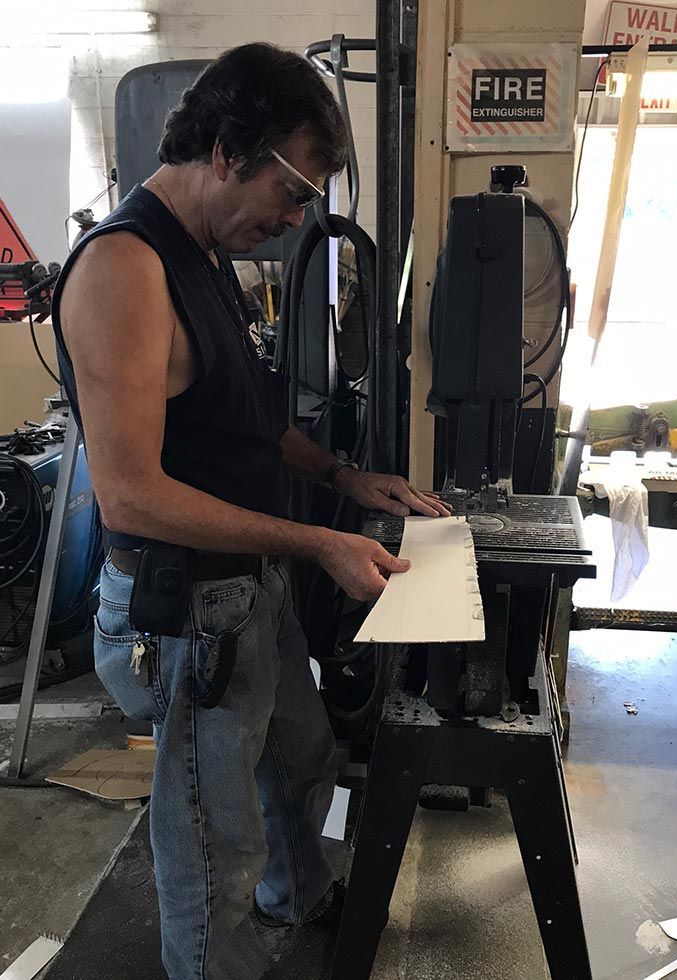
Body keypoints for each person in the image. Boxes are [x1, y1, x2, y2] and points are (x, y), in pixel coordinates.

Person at [51, 42, 449, 980]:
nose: (296, 218)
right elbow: (132, 495)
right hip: (186, 613)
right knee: (211, 832)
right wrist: (317, 541)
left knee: (304, 758)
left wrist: (344, 481)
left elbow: (249, 425)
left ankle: (303, 894)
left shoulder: (205, 257)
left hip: (246, 590)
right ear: (230, 149)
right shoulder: (124, 271)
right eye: (296, 191)